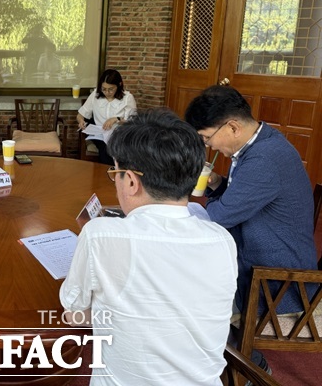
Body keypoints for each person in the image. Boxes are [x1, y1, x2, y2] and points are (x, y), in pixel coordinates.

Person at [60, 108, 238, 385]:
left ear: (130, 180)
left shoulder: (101, 235)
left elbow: (75, 315)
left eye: (115, 172)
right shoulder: (222, 240)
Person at [184, 85, 318, 314]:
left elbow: (219, 217)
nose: (209, 146)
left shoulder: (264, 158)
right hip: (264, 264)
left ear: (233, 127)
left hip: (277, 283)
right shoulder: (264, 141)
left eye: (207, 138)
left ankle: (241, 349)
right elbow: (246, 193)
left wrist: (213, 203)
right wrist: (217, 182)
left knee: (188, 282)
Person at [77, 69, 137, 164]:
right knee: (105, 149)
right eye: (104, 89)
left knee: (115, 148)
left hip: (119, 134)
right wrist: (81, 121)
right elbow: (81, 114)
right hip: (99, 132)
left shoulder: (127, 98)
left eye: (111, 89)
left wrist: (116, 119)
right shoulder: (95, 95)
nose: (107, 92)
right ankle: (109, 174)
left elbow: (133, 122)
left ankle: (113, 174)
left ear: (119, 85)